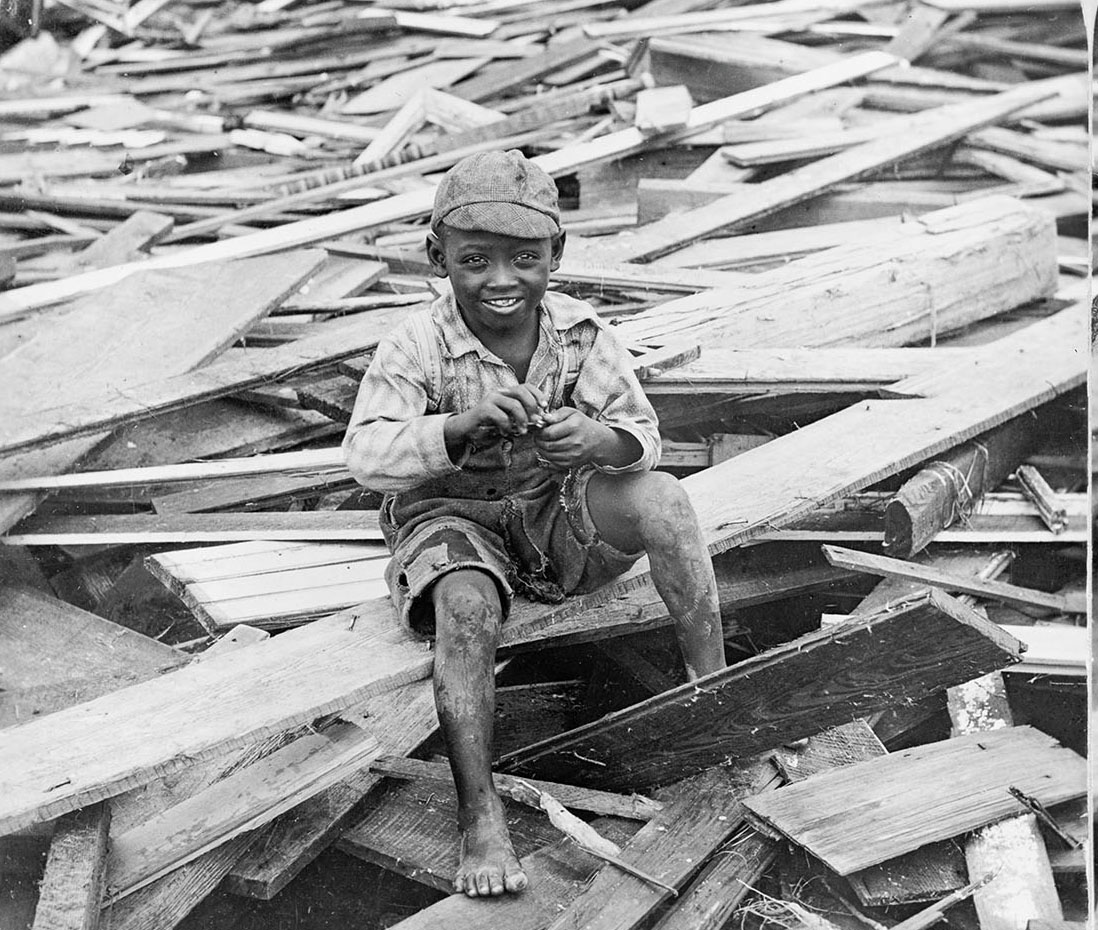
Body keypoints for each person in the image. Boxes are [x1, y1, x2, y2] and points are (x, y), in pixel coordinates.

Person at [342, 149, 726, 899]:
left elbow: (640, 433)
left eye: (524, 259)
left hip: (553, 518)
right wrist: (458, 428)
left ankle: (714, 699)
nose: (500, 281)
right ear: (437, 256)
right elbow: (365, 456)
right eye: (474, 260)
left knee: (668, 500)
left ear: (556, 254)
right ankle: (479, 811)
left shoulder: (579, 335)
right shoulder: (416, 344)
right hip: (451, 523)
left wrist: (597, 441)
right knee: (465, 607)